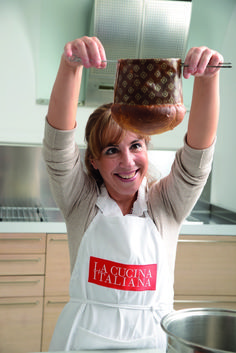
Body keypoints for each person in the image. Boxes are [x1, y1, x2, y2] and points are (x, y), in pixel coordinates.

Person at [43, 36, 223, 351]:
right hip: (83, 341)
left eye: (136, 145)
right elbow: (58, 148)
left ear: (146, 149)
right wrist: (70, 66)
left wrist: (208, 79)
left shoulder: (165, 203)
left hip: (151, 342)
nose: (127, 161)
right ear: (94, 161)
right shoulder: (80, 202)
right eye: (112, 150)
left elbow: (197, 162)